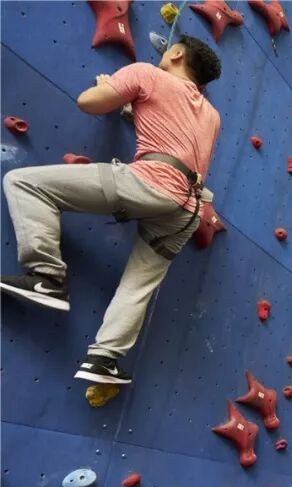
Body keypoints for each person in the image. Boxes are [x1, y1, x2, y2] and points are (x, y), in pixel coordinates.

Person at [1, 36, 222, 385]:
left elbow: (88, 103)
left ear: (177, 53)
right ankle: (104, 359)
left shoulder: (146, 73)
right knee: (139, 283)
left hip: (149, 183)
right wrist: (133, 107)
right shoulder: (211, 115)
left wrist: (110, 86)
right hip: (187, 210)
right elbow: (171, 131)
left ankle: (47, 277)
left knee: (23, 182)